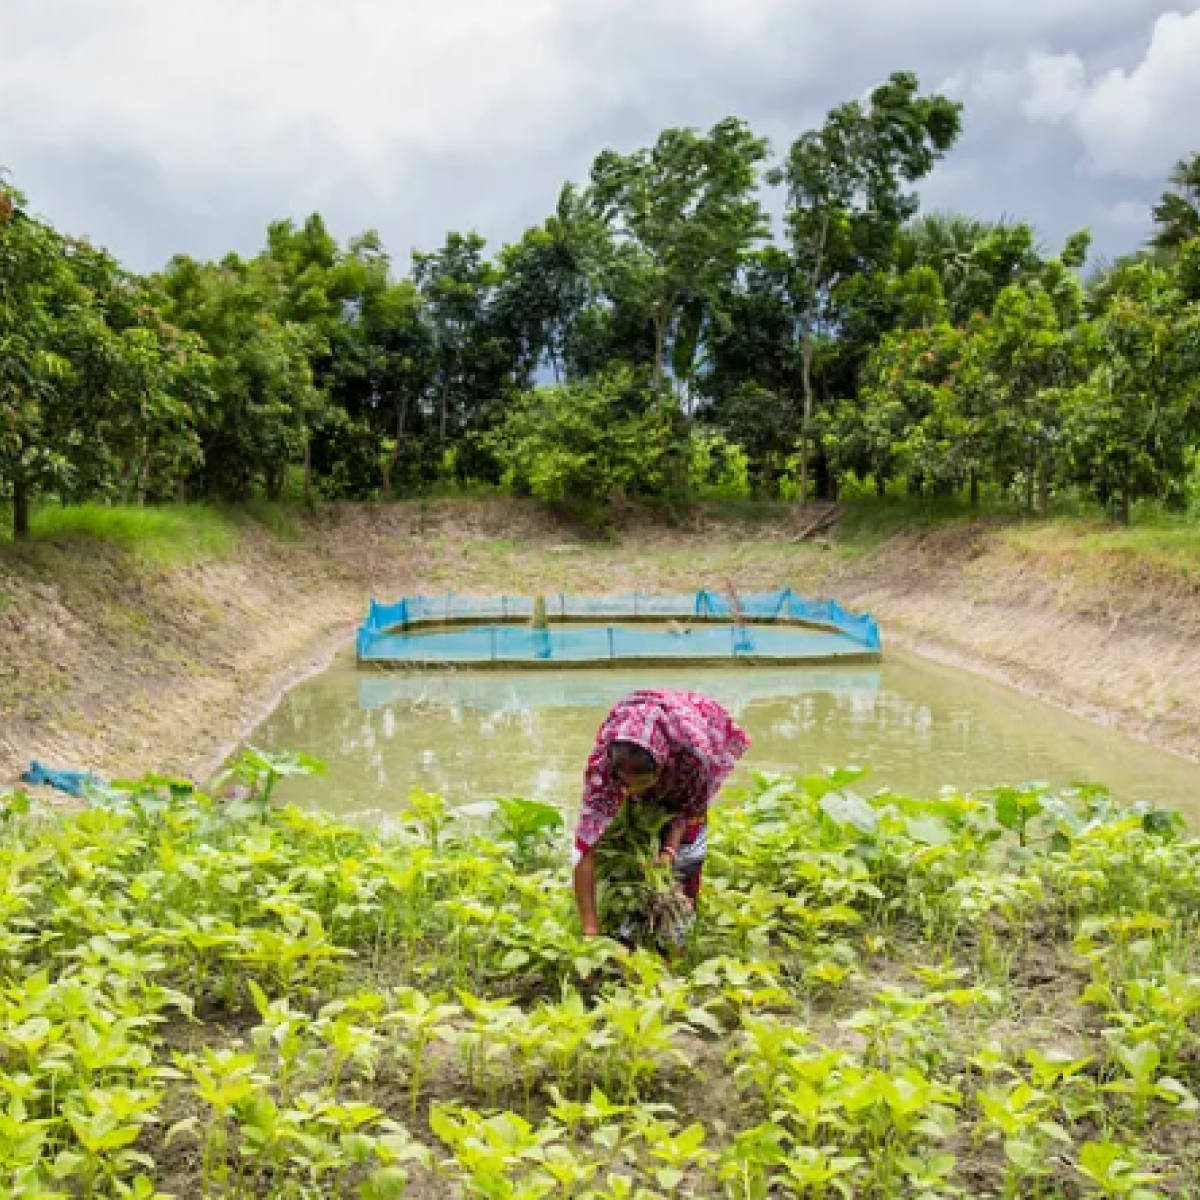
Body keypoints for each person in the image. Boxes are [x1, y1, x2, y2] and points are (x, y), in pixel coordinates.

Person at [572, 689, 750, 950]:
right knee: (626, 848)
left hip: (696, 725)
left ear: (662, 768)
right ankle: (628, 932)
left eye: (641, 784)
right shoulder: (604, 768)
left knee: (687, 856)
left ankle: (676, 937)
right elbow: (585, 847)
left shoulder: (693, 758)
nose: (631, 791)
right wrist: (590, 927)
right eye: (624, 783)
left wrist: (669, 851)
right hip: (643, 743)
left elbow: (688, 809)